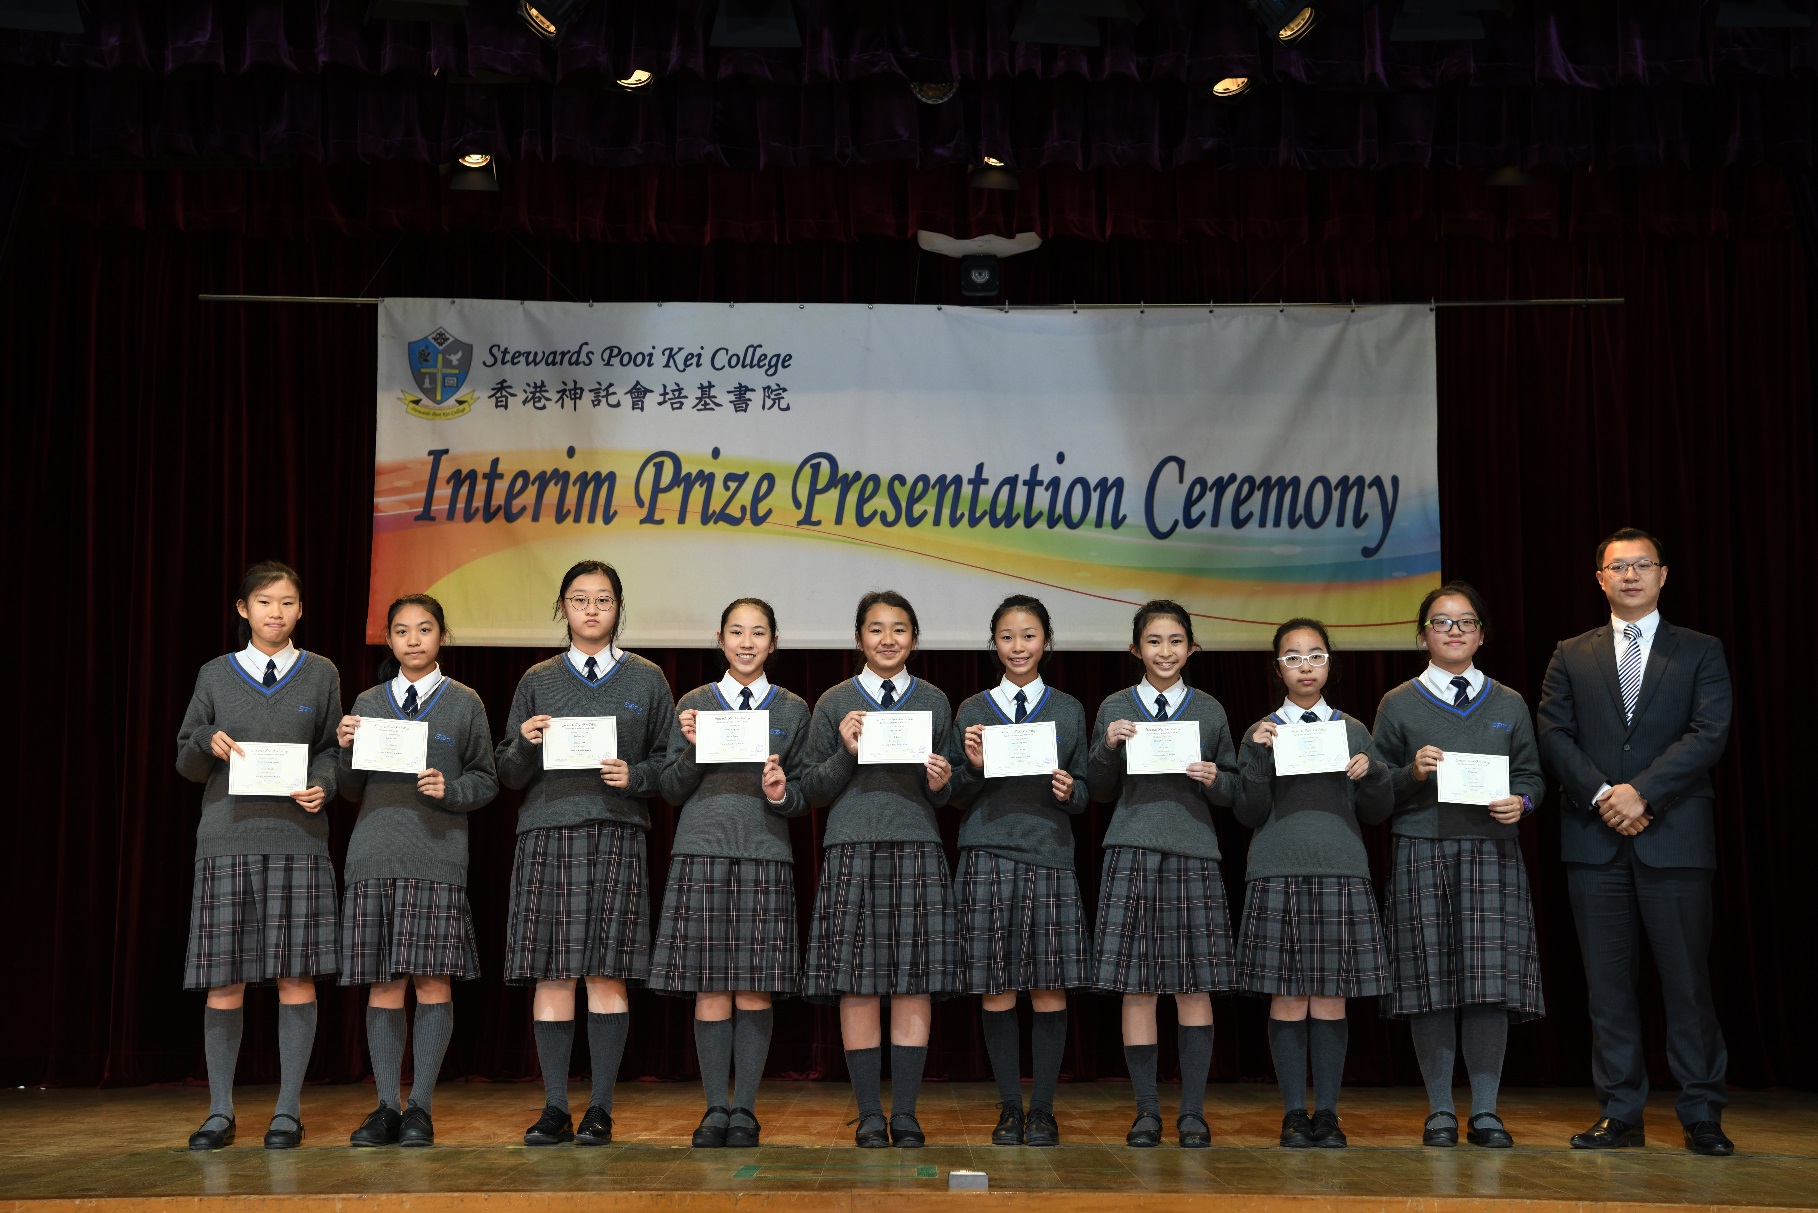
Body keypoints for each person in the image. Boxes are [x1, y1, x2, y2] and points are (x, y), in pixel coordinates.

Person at [1537, 527, 1735, 1157]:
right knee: (1608, 988)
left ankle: (1701, 1112)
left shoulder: (1700, 650)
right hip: (1594, 840)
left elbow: (1708, 733)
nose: (1630, 575)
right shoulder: (1571, 653)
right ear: (1600, 578)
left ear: (1662, 575)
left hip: (1674, 838)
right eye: (1617, 567)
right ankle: (1620, 1112)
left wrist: (1641, 793)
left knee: (1687, 983)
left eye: (1642, 565)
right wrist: (1604, 795)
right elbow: (1553, 733)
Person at [496, 560, 677, 1147]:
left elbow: (671, 765)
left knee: (607, 972)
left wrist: (636, 775)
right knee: (552, 974)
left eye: (603, 599)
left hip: (617, 831)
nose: (592, 609)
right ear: (562, 607)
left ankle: (600, 1107)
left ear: (619, 607)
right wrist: (524, 744)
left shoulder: (647, 678)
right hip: (547, 833)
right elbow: (507, 771)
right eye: (579, 599)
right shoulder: (537, 679)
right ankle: (555, 1107)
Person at [1369, 581, 1546, 1149]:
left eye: (1465, 622)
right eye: (1441, 622)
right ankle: (1441, 1111)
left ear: (1481, 635)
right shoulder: (1398, 702)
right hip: (1421, 848)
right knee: (1430, 982)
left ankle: (1486, 1112)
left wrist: (1522, 802)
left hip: (1492, 851)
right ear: (1422, 635)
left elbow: (1531, 775)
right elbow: (1373, 791)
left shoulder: (1509, 701)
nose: (1454, 631)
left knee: (1487, 985)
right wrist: (1411, 773)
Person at [174, 561, 342, 1150]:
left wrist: (325, 783)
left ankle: (287, 1112)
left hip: (298, 840)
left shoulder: (320, 672)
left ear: (301, 610)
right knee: (225, 981)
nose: (277, 612)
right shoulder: (215, 674)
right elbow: (186, 760)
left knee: (296, 976)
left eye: (288, 602)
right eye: (265, 602)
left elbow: (332, 751)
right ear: (243, 609)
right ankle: (220, 1112)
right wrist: (205, 741)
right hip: (227, 841)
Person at [335, 594, 498, 1148]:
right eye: (401, 631)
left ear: (441, 636)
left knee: (432, 981)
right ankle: (386, 1105)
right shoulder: (368, 701)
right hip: (374, 854)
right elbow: (350, 789)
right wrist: (345, 749)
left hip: (437, 856)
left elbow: (486, 779)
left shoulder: (465, 702)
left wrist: (451, 789)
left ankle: (420, 1107)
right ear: (388, 639)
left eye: (424, 629)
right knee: (384, 982)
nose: (413, 639)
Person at [799, 590, 959, 1149]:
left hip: (917, 846)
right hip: (851, 848)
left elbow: (947, 791)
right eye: (876, 629)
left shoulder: (934, 700)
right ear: (858, 638)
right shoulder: (834, 702)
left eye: (899, 629)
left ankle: (907, 1113)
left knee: (914, 984)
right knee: (857, 986)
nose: (887, 639)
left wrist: (943, 782)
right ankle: (869, 1113)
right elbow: (813, 788)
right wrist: (846, 750)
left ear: (914, 639)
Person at [652, 598, 812, 1149]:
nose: (747, 643)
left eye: (758, 633)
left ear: (774, 643)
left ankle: (744, 1109)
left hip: (765, 853)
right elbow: (670, 789)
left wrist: (782, 793)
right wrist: (693, 750)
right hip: (702, 852)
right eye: (737, 632)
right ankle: (714, 1108)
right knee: (711, 988)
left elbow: (804, 793)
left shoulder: (792, 708)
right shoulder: (695, 703)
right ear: (720, 639)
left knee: (755, 988)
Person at [1234, 618, 1393, 1149]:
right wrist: (1259, 756)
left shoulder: (1352, 730)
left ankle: (1327, 1114)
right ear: (1278, 668)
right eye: (1293, 657)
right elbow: (1248, 811)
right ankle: (1292, 1114)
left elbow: (1376, 811)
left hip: (1340, 868)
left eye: (1316, 655)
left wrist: (1373, 772)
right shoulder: (1261, 730)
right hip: (1276, 869)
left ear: (1330, 663)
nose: (1306, 666)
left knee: (1329, 999)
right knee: (1286, 999)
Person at [1087, 600, 1239, 1150]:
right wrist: (1108, 746)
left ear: (1191, 648)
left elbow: (1235, 789)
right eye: (1154, 641)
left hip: (1193, 852)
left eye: (1176, 641)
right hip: (1130, 849)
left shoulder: (1210, 710)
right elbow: (1097, 788)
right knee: (1138, 989)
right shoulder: (1115, 706)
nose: (1165, 651)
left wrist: (1215, 778)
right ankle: (1147, 1111)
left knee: (1194, 988)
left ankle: (1192, 1113)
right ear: (1136, 649)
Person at [947, 595, 1091, 1148]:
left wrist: (1071, 791)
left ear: (1046, 641)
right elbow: (955, 793)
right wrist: (973, 768)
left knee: (1049, 989)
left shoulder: (1069, 709)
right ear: (994, 644)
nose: (1018, 646)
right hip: (986, 853)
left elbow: (1086, 792)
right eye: (1007, 637)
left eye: (1028, 636)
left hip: (1048, 855)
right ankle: (1010, 1106)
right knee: (996, 989)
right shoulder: (973, 708)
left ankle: (1044, 1110)